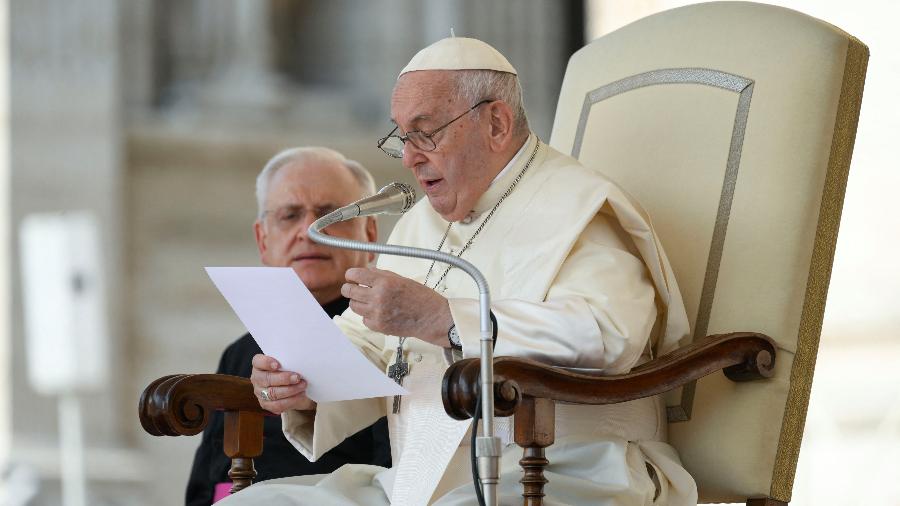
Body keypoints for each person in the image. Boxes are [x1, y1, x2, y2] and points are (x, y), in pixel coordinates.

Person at [221, 37, 698, 505]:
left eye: (426, 131)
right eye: (402, 136)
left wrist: (446, 319)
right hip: (422, 480)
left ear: (495, 122)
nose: (409, 156)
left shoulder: (579, 206)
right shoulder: (418, 225)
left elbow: (608, 335)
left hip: (562, 472)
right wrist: (302, 382)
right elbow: (368, 343)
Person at [185, 147, 391, 505]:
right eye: (289, 215)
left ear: (369, 233)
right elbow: (207, 483)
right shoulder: (239, 352)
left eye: (330, 214)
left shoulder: (396, 334)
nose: (309, 231)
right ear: (263, 240)